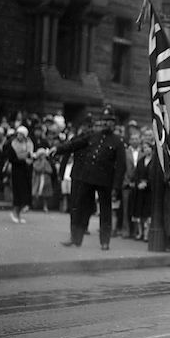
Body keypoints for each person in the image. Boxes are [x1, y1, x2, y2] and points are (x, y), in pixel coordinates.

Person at [50, 105, 126, 250]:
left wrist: (116, 187)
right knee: (80, 208)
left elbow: (121, 167)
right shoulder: (92, 135)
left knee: (105, 212)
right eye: (104, 120)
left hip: (105, 181)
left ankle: (105, 241)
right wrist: (58, 149)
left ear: (114, 123)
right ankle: (75, 238)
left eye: (109, 121)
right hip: (88, 178)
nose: (106, 123)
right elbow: (74, 144)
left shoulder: (118, 141)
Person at [6, 125, 34, 224]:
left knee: (24, 192)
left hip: (25, 171)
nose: (19, 136)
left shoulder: (28, 144)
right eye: (18, 134)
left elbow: (30, 155)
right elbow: (11, 159)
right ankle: (15, 213)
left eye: (22, 134)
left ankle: (18, 215)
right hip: (17, 171)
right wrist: (23, 160)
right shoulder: (13, 144)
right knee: (17, 193)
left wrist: (29, 158)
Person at [121, 131, 142, 238]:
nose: (135, 141)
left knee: (136, 208)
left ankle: (135, 231)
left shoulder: (143, 152)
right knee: (125, 208)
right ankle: (125, 230)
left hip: (138, 184)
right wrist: (126, 181)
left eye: (136, 139)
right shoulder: (125, 152)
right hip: (126, 182)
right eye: (133, 139)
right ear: (129, 141)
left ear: (140, 140)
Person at [132, 141, 154, 241]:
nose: (146, 149)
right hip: (140, 190)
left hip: (150, 191)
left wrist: (147, 184)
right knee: (139, 212)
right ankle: (140, 233)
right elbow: (136, 174)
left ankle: (146, 234)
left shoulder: (154, 161)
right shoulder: (141, 161)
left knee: (147, 213)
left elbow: (154, 176)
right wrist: (138, 184)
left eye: (148, 147)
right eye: (144, 148)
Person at [31, 147, 54, 212]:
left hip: (45, 179)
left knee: (45, 194)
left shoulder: (46, 162)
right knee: (36, 192)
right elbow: (37, 169)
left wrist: (44, 168)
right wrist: (42, 166)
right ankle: (34, 205)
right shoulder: (36, 162)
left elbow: (50, 170)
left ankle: (45, 206)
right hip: (38, 179)